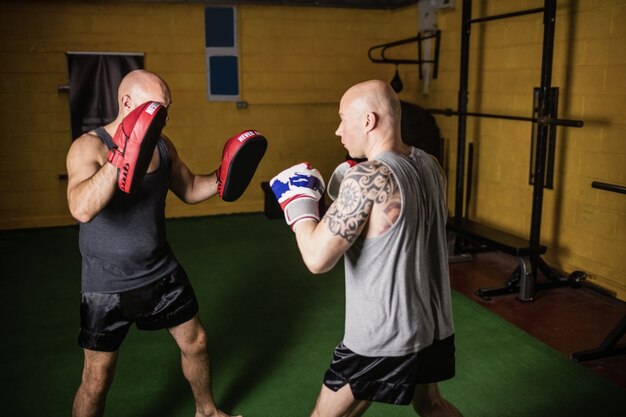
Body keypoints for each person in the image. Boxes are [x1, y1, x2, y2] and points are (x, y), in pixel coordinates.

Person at [66, 69, 264, 417]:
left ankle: (207, 412)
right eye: (155, 109)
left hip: (160, 270)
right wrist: (120, 158)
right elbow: (82, 208)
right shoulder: (89, 147)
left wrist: (224, 176)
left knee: (196, 343)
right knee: (97, 377)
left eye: (166, 110)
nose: (163, 118)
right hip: (106, 282)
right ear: (127, 103)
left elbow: (188, 189)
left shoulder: (162, 144)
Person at [270, 80, 463, 417]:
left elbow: (317, 258)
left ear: (369, 121)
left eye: (344, 119)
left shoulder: (367, 179)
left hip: (385, 336)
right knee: (431, 405)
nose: (338, 130)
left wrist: (297, 204)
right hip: (433, 325)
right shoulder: (430, 165)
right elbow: (387, 225)